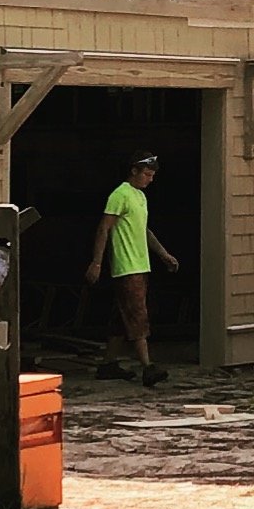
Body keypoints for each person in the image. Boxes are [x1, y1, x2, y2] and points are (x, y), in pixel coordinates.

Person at [88, 153, 176, 386]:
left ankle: (108, 364)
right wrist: (97, 262)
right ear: (134, 171)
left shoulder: (140, 197)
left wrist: (163, 254)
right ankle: (148, 367)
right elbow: (103, 229)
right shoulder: (120, 195)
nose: (150, 179)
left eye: (152, 175)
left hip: (141, 262)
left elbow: (144, 230)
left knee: (122, 316)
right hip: (126, 265)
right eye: (147, 174)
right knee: (138, 315)